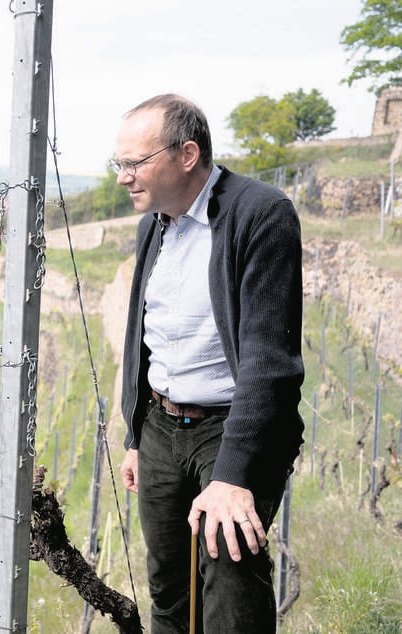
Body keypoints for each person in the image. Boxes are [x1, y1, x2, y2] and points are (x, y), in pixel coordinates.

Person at [114, 94, 304, 632]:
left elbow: (271, 359)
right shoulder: (153, 224)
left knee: (230, 585)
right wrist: (135, 435)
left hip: (231, 427)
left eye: (135, 163)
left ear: (188, 154)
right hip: (159, 427)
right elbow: (146, 337)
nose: (124, 177)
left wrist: (234, 474)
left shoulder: (259, 213)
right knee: (169, 590)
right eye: (119, 164)